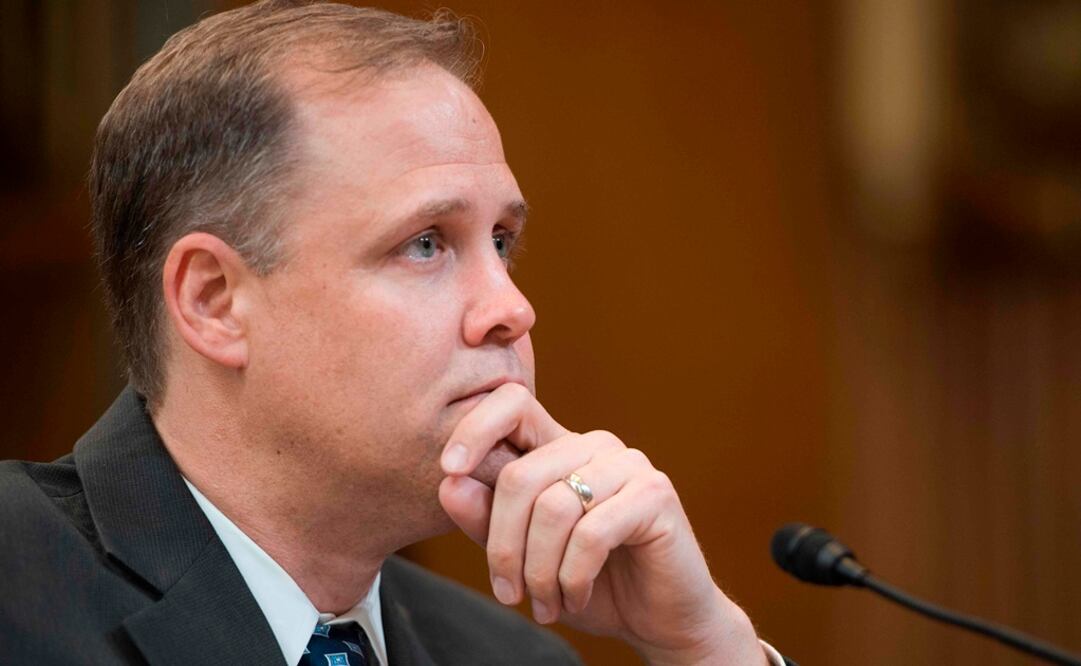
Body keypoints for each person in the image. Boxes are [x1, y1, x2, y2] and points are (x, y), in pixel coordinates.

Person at [0, 2, 792, 664]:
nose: (511, 308)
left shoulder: (510, 657)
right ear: (215, 302)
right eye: (425, 244)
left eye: (502, 242)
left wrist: (704, 646)